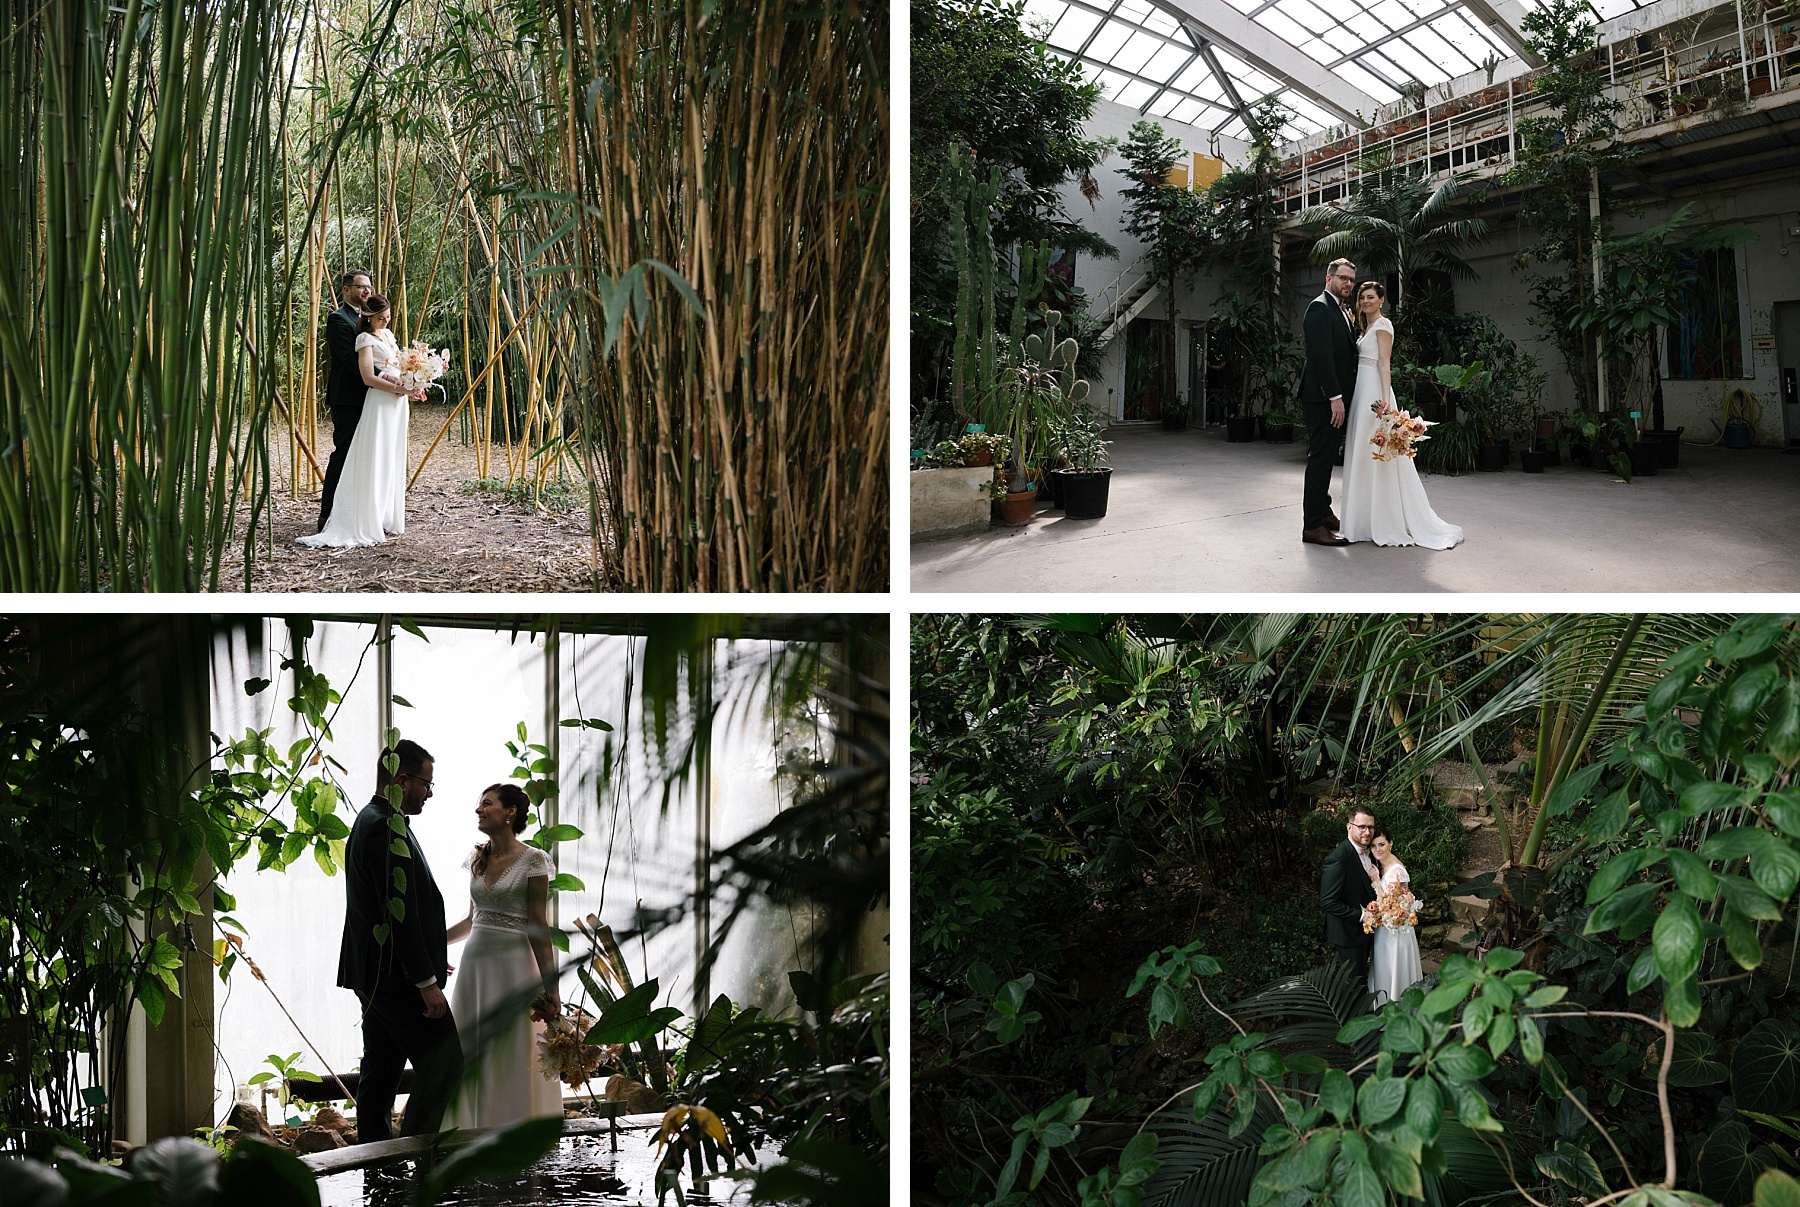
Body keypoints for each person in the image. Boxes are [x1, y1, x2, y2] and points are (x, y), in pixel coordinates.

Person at [337, 740, 464, 1140]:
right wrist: (424, 980)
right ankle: (416, 1157)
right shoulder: (382, 827)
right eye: (427, 784)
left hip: (377, 973)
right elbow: (398, 914)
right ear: (403, 780)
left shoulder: (373, 819)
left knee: (381, 1070)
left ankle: (379, 1172)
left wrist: (428, 955)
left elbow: (390, 908)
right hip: (396, 979)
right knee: (446, 1064)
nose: (429, 793)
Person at [443, 783, 564, 1128]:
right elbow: (471, 921)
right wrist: (433, 945)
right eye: (479, 805)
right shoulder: (477, 859)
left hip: (514, 970)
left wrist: (551, 989)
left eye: (487, 804)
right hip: (475, 969)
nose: (479, 810)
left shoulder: (534, 860)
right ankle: (472, 1129)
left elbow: (538, 926)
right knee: (471, 1049)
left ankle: (515, 1129)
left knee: (512, 1052)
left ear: (510, 812)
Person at [1339, 282, 1464, 549]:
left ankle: (1383, 520)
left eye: (1370, 297)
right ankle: (1361, 520)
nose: (1365, 301)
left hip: (1374, 392)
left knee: (1378, 455)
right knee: (1361, 452)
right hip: (1360, 393)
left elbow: (1385, 363)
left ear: (1381, 300)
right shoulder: (1364, 330)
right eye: (1362, 297)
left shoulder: (1383, 326)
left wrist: (1385, 400)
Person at [301, 293, 419, 548]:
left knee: (391, 455)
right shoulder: (360, 336)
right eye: (381, 318)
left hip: (395, 404)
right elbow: (366, 375)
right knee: (366, 456)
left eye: (388, 317)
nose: (386, 321)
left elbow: (399, 365)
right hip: (377, 400)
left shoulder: (387, 335)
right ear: (368, 317)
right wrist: (397, 387)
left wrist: (414, 381)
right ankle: (354, 517)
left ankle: (383, 514)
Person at [317, 270, 374, 531]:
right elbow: (353, 363)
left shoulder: (372, 319)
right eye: (361, 287)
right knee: (344, 454)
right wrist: (390, 379)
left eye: (369, 288)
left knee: (366, 457)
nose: (366, 292)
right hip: (348, 399)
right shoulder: (338, 319)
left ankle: (357, 514)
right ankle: (327, 514)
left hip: (373, 397)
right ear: (346, 290)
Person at [1365, 826, 1424, 1007]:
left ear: (1391, 843)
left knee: (1393, 968)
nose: (1378, 850)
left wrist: (1376, 881)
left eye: (1382, 844)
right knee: (1384, 968)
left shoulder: (1397, 871)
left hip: (1395, 932)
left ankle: (1396, 1008)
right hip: (1386, 929)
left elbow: (1387, 904)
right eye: (1374, 846)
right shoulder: (1383, 866)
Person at [1321, 806, 1380, 983]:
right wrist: (1362, 915)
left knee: (1367, 979)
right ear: (1349, 827)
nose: (1367, 832)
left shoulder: (1371, 851)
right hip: (1348, 934)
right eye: (1362, 827)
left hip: (1368, 932)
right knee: (1354, 986)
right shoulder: (1338, 860)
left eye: (1370, 827)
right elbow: (1328, 902)